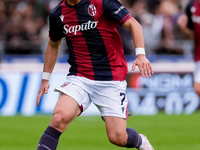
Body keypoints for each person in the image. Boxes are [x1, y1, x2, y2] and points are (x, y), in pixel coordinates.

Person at [36, 0, 154, 150]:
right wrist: (45, 78)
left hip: (111, 78)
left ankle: (140, 141)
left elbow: (134, 24)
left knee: (118, 137)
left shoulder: (102, 2)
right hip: (79, 77)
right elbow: (53, 44)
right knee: (59, 118)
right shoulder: (57, 13)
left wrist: (141, 55)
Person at [177, 0, 200, 97]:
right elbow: (191, 35)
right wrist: (183, 27)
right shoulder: (191, 6)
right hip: (198, 54)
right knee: (197, 87)